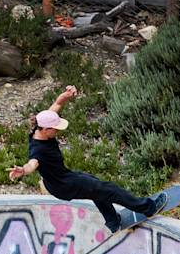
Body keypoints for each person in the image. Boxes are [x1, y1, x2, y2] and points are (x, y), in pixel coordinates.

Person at [9, 85, 166, 233]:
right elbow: (32, 164)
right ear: (45, 129)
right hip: (63, 185)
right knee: (108, 189)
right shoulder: (38, 150)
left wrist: (66, 95)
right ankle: (148, 208)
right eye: (55, 129)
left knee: (95, 186)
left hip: (63, 178)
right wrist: (22, 170)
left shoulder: (41, 125)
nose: (57, 131)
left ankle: (113, 222)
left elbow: (56, 104)